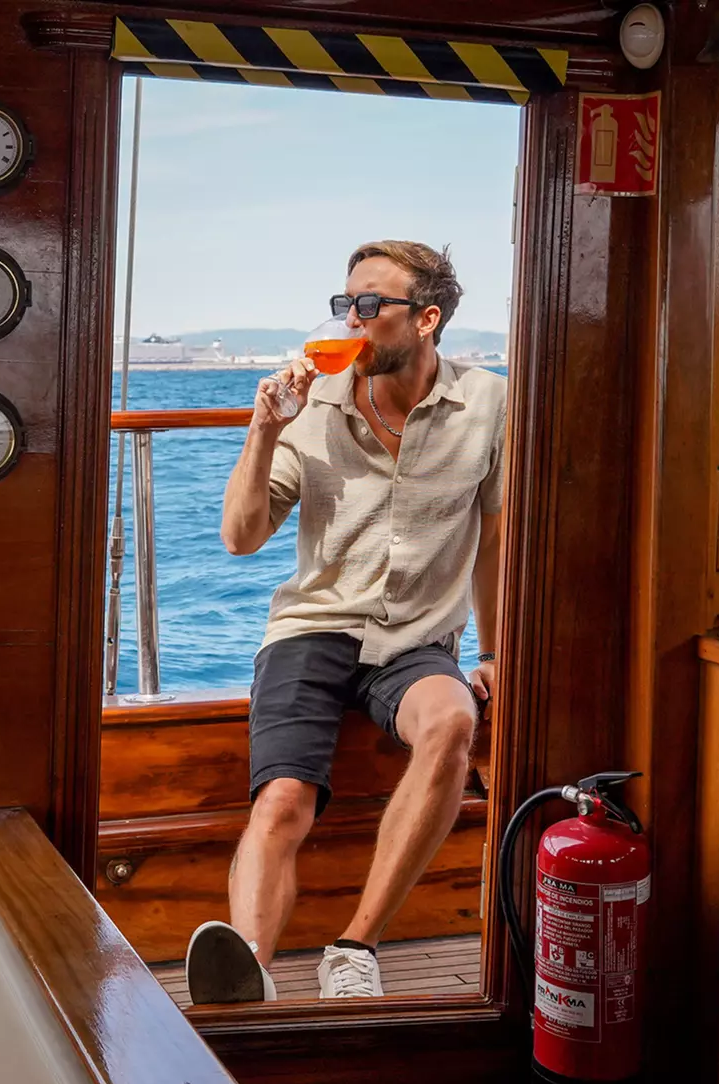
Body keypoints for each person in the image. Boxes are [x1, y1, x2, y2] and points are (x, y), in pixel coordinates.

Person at [183, 240, 506, 1003]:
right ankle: (249, 972)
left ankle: (355, 947)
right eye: (343, 303)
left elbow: (495, 537)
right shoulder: (312, 408)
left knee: (451, 722)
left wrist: (494, 650)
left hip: (416, 640)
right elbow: (239, 538)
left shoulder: (488, 404)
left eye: (368, 304)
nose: (350, 319)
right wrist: (263, 428)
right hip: (312, 629)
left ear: (426, 318)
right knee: (282, 800)